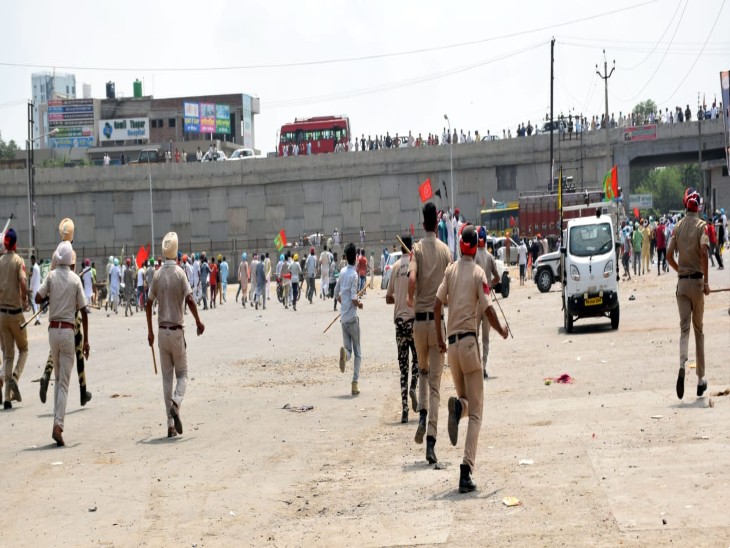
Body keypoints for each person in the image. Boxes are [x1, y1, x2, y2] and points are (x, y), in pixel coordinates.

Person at [434, 224, 509, 493]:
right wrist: (501, 330)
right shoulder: (479, 273)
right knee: (477, 413)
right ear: (476, 245)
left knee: (466, 401)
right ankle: (466, 471)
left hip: (452, 348)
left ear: (460, 246)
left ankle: (457, 409)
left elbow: (436, 304)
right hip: (468, 344)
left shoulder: (450, 270)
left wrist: (440, 337)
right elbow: (488, 308)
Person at [146, 232, 205, 438]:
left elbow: (148, 303)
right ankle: (176, 402)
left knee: (166, 379)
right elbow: (190, 299)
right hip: (177, 331)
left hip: (161, 332)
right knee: (183, 374)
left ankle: (170, 424)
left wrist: (150, 332)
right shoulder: (180, 273)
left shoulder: (157, 274)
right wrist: (198, 321)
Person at [407, 202, 452, 464]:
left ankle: (421, 414)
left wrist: (412, 299)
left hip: (419, 324)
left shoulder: (417, 250)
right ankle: (431, 442)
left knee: (421, 371)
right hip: (438, 324)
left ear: (423, 224)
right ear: (437, 222)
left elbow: (411, 279)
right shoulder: (446, 252)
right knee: (435, 385)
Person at [34, 241, 89, 446]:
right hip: (67, 332)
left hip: (52, 332)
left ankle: (56, 421)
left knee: (58, 380)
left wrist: (50, 295)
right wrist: (87, 340)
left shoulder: (51, 275)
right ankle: (58, 425)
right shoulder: (75, 279)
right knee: (64, 383)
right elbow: (83, 311)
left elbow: (37, 297)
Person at [666, 188, 711, 400]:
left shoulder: (678, 226)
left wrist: (679, 270)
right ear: (698, 207)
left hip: (682, 285)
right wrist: (707, 282)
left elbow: (667, 254)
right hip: (697, 283)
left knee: (684, 330)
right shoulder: (702, 226)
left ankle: (682, 365)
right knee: (698, 331)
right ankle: (701, 379)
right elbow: (704, 251)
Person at [385, 235, 418, 423]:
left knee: (403, 367)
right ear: (411, 246)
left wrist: (398, 298)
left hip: (399, 324)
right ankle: (414, 386)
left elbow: (388, 297)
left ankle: (404, 407)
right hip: (414, 321)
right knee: (418, 361)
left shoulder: (396, 268)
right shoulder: (414, 266)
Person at [0, 228, 29, 408]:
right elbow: (23, 282)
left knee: (8, 355)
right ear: (15, 244)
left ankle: (6, 397)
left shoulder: (0, 261)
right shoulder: (19, 261)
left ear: (5, 244)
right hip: (16, 313)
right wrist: (24, 299)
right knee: (24, 349)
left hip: (2, 314)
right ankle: (15, 378)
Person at [334, 243, 363, 395]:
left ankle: (344, 356)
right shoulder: (354, 275)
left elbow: (336, 293)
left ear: (345, 257)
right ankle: (354, 383)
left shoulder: (343, 272)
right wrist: (360, 303)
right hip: (352, 317)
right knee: (358, 352)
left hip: (344, 319)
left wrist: (343, 303)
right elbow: (353, 298)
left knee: (349, 350)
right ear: (356, 258)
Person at [474, 226, 500, 379]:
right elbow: (497, 277)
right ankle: (483, 367)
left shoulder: (473, 256)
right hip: (488, 301)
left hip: (476, 301)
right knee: (486, 338)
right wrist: (490, 285)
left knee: (474, 335)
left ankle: (477, 366)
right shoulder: (490, 257)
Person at [29, 255, 42, 326]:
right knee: (38, 304)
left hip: (34, 288)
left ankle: (37, 319)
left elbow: (33, 279)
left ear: (33, 260)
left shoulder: (34, 268)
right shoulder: (38, 267)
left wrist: (30, 287)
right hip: (38, 287)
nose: (31, 262)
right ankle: (39, 319)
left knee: (34, 304)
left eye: (31, 260)